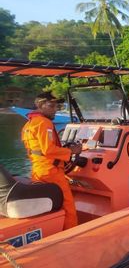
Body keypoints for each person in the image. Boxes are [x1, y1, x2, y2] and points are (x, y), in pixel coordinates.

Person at [21, 92, 81, 229]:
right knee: (68, 207)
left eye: (56, 106)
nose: (55, 109)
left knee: (51, 206)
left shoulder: (28, 125)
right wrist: (72, 151)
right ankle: (72, 235)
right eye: (51, 105)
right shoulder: (44, 123)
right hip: (51, 172)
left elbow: (36, 151)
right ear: (41, 105)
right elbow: (48, 150)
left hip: (37, 172)